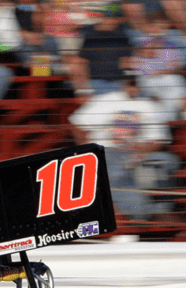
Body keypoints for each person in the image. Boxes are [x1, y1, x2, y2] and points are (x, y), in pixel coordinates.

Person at [69, 78, 180, 221]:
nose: (133, 88)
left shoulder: (151, 105)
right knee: (115, 169)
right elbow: (77, 123)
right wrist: (85, 146)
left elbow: (158, 139)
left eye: (136, 84)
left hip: (138, 151)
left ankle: (161, 210)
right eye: (130, 83)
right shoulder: (105, 100)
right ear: (122, 84)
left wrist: (144, 149)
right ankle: (140, 215)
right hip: (106, 149)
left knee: (168, 161)